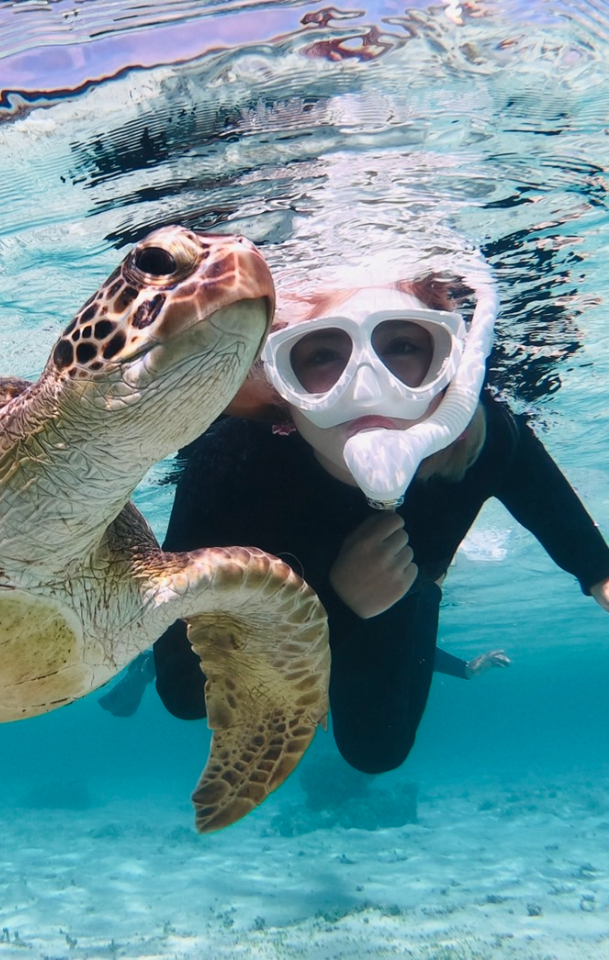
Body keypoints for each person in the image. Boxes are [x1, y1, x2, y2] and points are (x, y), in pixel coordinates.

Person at [101, 271, 609, 775]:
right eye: (322, 355)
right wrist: (338, 608)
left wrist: (597, 573)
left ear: (451, 370)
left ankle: (408, 596)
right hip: (287, 618)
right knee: (362, 746)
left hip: (402, 590)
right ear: (280, 388)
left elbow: (553, 508)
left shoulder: (483, 436)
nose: (367, 388)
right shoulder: (231, 464)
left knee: (375, 752)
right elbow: (184, 693)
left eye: (404, 345)